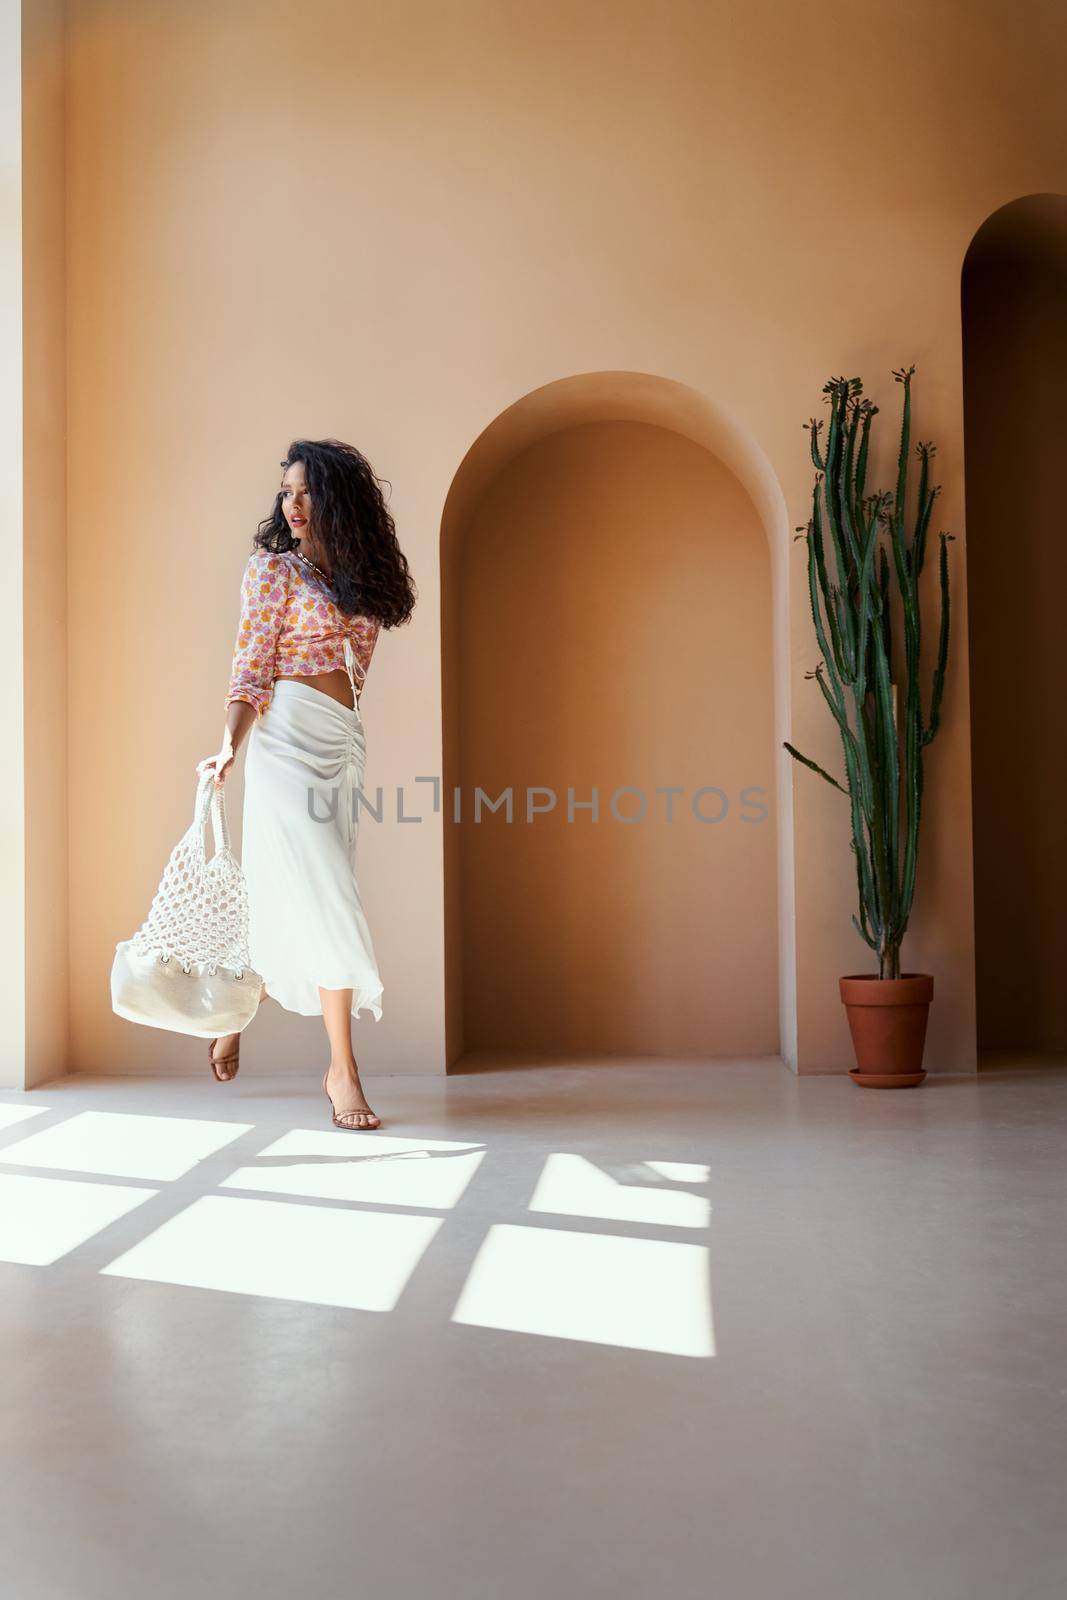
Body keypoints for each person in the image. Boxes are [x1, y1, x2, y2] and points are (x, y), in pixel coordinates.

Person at [197, 439, 416, 1129]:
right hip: (286, 738)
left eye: (307, 491)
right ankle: (342, 1072)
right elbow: (250, 668)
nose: (292, 504)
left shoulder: (364, 580)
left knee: (318, 891)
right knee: (328, 896)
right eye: (286, 491)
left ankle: (245, 994)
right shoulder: (271, 572)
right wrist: (226, 748)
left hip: (343, 742)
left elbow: (359, 676)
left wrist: (344, 732)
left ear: (337, 500)